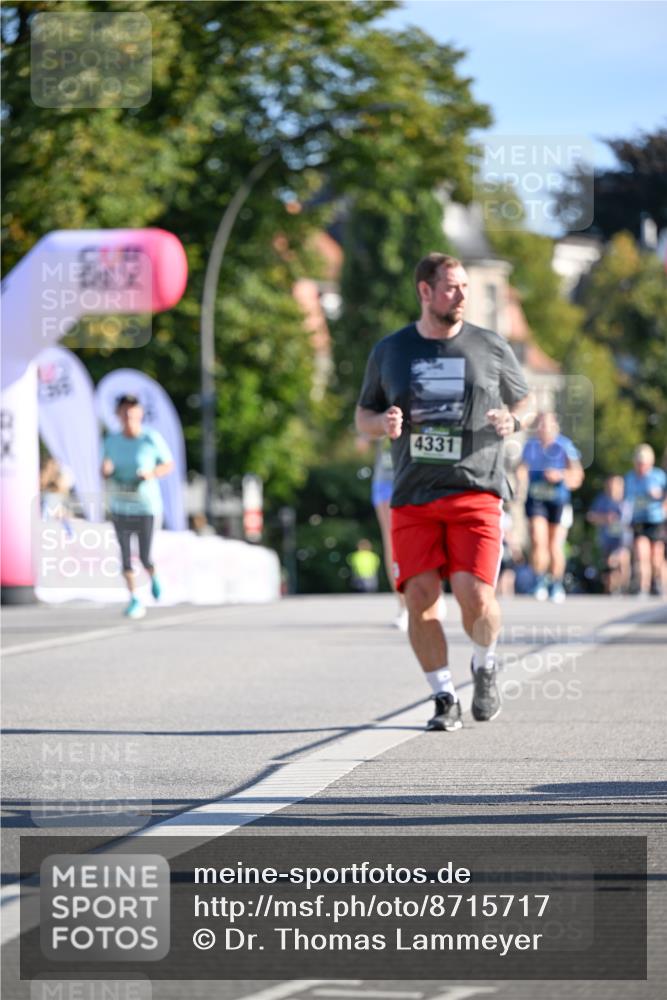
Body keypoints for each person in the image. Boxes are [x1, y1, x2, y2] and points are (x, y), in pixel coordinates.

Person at [355, 252, 530, 732]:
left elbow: (526, 400)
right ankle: (444, 696)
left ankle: (485, 661)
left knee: (475, 596)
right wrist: (382, 423)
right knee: (421, 597)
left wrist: (512, 419)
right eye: (451, 287)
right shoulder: (391, 351)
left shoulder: (490, 346)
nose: (461, 296)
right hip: (413, 494)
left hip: (477, 489)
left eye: (466, 287)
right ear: (425, 291)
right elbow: (363, 414)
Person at [102, 394, 174, 619]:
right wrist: (106, 471)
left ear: (140, 414)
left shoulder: (150, 438)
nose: (128, 416)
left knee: (144, 555)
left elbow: (167, 464)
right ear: (118, 415)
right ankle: (134, 598)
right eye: (124, 412)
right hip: (121, 505)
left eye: (132, 412)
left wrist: (151, 474)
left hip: (146, 506)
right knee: (124, 555)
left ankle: (153, 576)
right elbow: (104, 465)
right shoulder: (111, 441)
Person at [518, 412, 584, 603]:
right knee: (538, 540)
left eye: (547, 425)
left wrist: (560, 476)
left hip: (558, 500)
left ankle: (556, 582)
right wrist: (520, 479)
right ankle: (539, 580)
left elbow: (577, 475)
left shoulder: (565, 446)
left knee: (555, 545)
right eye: (540, 425)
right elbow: (521, 468)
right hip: (536, 498)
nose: (543, 429)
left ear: (556, 427)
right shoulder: (530, 446)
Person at [624, 443, 665, 597]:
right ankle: (643, 587)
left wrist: (660, 498)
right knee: (642, 554)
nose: (641, 466)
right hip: (638, 520)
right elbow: (626, 501)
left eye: (644, 463)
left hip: (656, 520)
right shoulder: (629, 478)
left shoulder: (659, 476)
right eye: (639, 463)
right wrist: (626, 520)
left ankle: (659, 583)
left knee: (656, 558)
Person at [587, 475, 631, 595]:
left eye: (616, 485)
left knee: (622, 559)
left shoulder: (626, 501)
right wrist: (604, 518)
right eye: (610, 485)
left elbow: (629, 521)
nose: (613, 488)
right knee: (608, 565)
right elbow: (591, 516)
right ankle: (611, 590)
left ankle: (624, 588)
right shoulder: (601, 500)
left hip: (623, 540)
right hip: (606, 540)